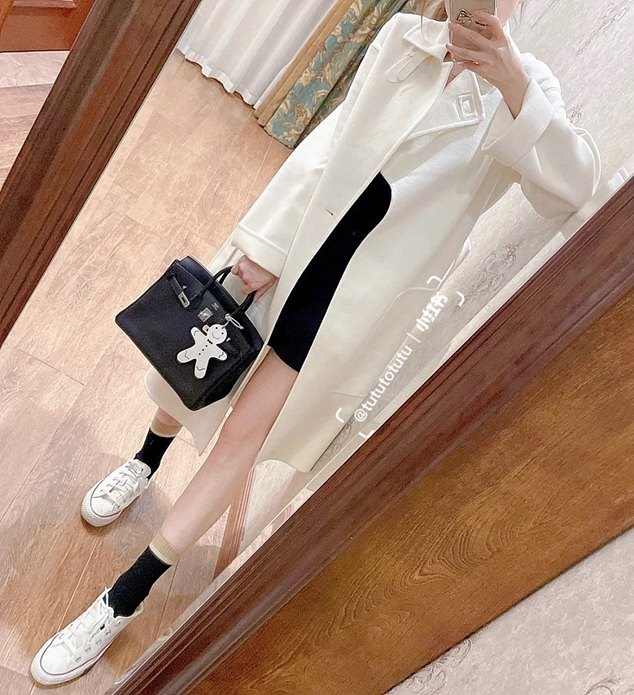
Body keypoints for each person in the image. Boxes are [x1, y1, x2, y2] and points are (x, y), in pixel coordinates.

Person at [31, 0, 600, 684]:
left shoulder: (527, 91)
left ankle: (123, 597)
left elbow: (578, 189)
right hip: (292, 244)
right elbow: (329, 144)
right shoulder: (406, 38)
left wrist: (512, 83)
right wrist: (265, 243)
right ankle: (144, 461)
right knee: (197, 367)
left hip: (352, 301)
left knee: (244, 437)